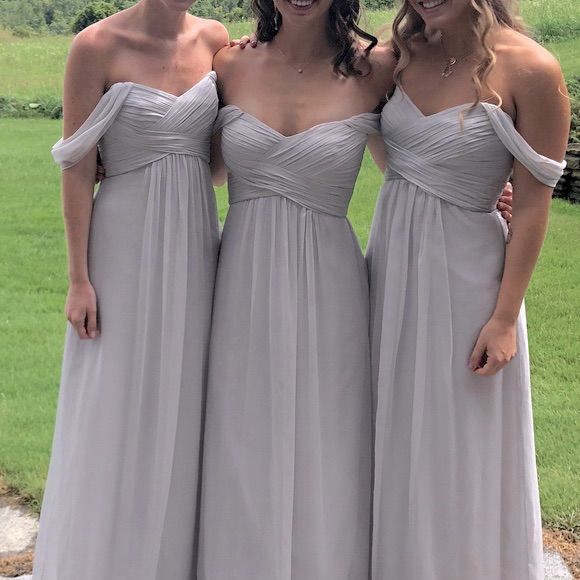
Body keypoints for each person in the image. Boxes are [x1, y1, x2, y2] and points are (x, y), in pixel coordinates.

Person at [366, 0, 569, 578]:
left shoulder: (531, 69)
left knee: (460, 437)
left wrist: (504, 318)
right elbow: (363, 129)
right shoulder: (399, 56)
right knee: (395, 425)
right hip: (391, 265)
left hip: (470, 282)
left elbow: (532, 206)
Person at [196, 1, 393, 578]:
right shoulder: (229, 65)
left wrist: (493, 192)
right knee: (241, 427)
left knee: (330, 431)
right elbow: (200, 163)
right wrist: (115, 156)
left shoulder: (375, 69)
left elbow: (412, 153)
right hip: (243, 275)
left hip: (331, 281)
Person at [32, 2, 227, 578]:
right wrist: (78, 278)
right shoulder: (94, 47)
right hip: (122, 247)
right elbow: (75, 166)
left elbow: (218, 160)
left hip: (195, 241)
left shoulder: (215, 40)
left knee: (187, 391)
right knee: (117, 397)